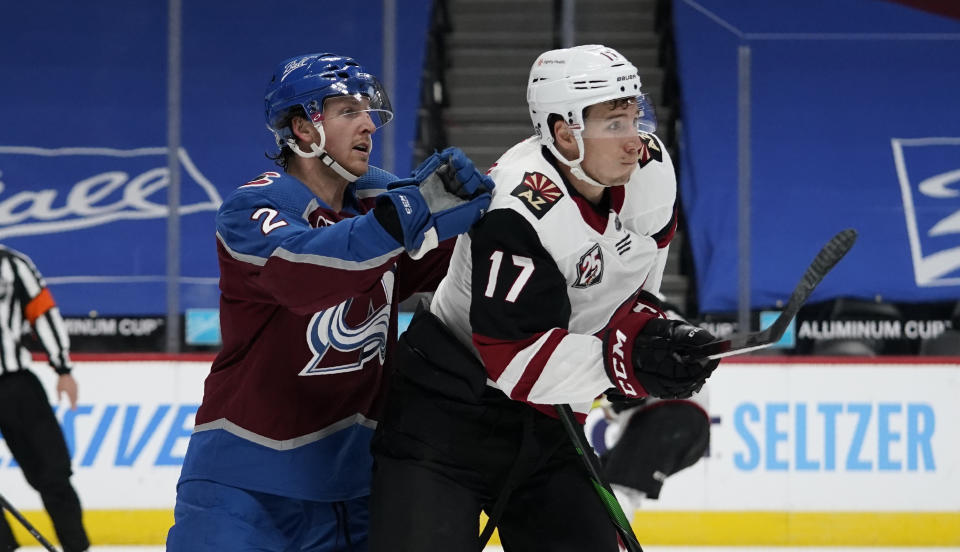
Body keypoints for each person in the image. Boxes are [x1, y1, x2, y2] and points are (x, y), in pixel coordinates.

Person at [369, 44, 720, 551]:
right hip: (443, 418)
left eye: (634, 116)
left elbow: (637, 289)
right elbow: (512, 362)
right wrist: (629, 359)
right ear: (564, 132)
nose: (633, 140)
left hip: (548, 425)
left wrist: (655, 335)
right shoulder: (517, 206)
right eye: (613, 123)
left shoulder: (652, 169)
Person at [166, 53, 493, 551]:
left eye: (368, 111)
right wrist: (403, 219)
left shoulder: (376, 201)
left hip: (355, 487)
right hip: (245, 486)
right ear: (302, 128)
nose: (368, 125)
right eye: (346, 111)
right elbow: (306, 274)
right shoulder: (254, 206)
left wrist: (497, 215)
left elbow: (451, 269)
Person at [0, 245, 89, 552]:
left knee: (53, 472)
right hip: (15, 386)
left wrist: (63, 368)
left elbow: (43, 312)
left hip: (14, 386)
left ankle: (76, 548)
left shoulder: (12, 265)